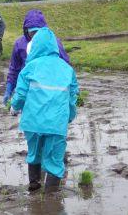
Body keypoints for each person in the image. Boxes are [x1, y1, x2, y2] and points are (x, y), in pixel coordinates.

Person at [10, 27, 78, 192]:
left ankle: (34, 185)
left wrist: (14, 107)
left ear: (35, 47)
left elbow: (20, 95)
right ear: (54, 46)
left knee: (34, 153)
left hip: (32, 122)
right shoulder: (67, 69)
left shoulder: (29, 68)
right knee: (55, 161)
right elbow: (72, 98)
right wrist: (70, 116)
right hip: (56, 124)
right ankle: (50, 199)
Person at [3, 10, 70, 105]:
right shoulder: (20, 44)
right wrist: (9, 89)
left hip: (50, 89)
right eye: (32, 32)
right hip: (28, 89)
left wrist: (72, 91)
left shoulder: (54, 43)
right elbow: (14, 69)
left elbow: (65, 66)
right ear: (26, 30)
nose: (35, 36)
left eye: (37, 32)